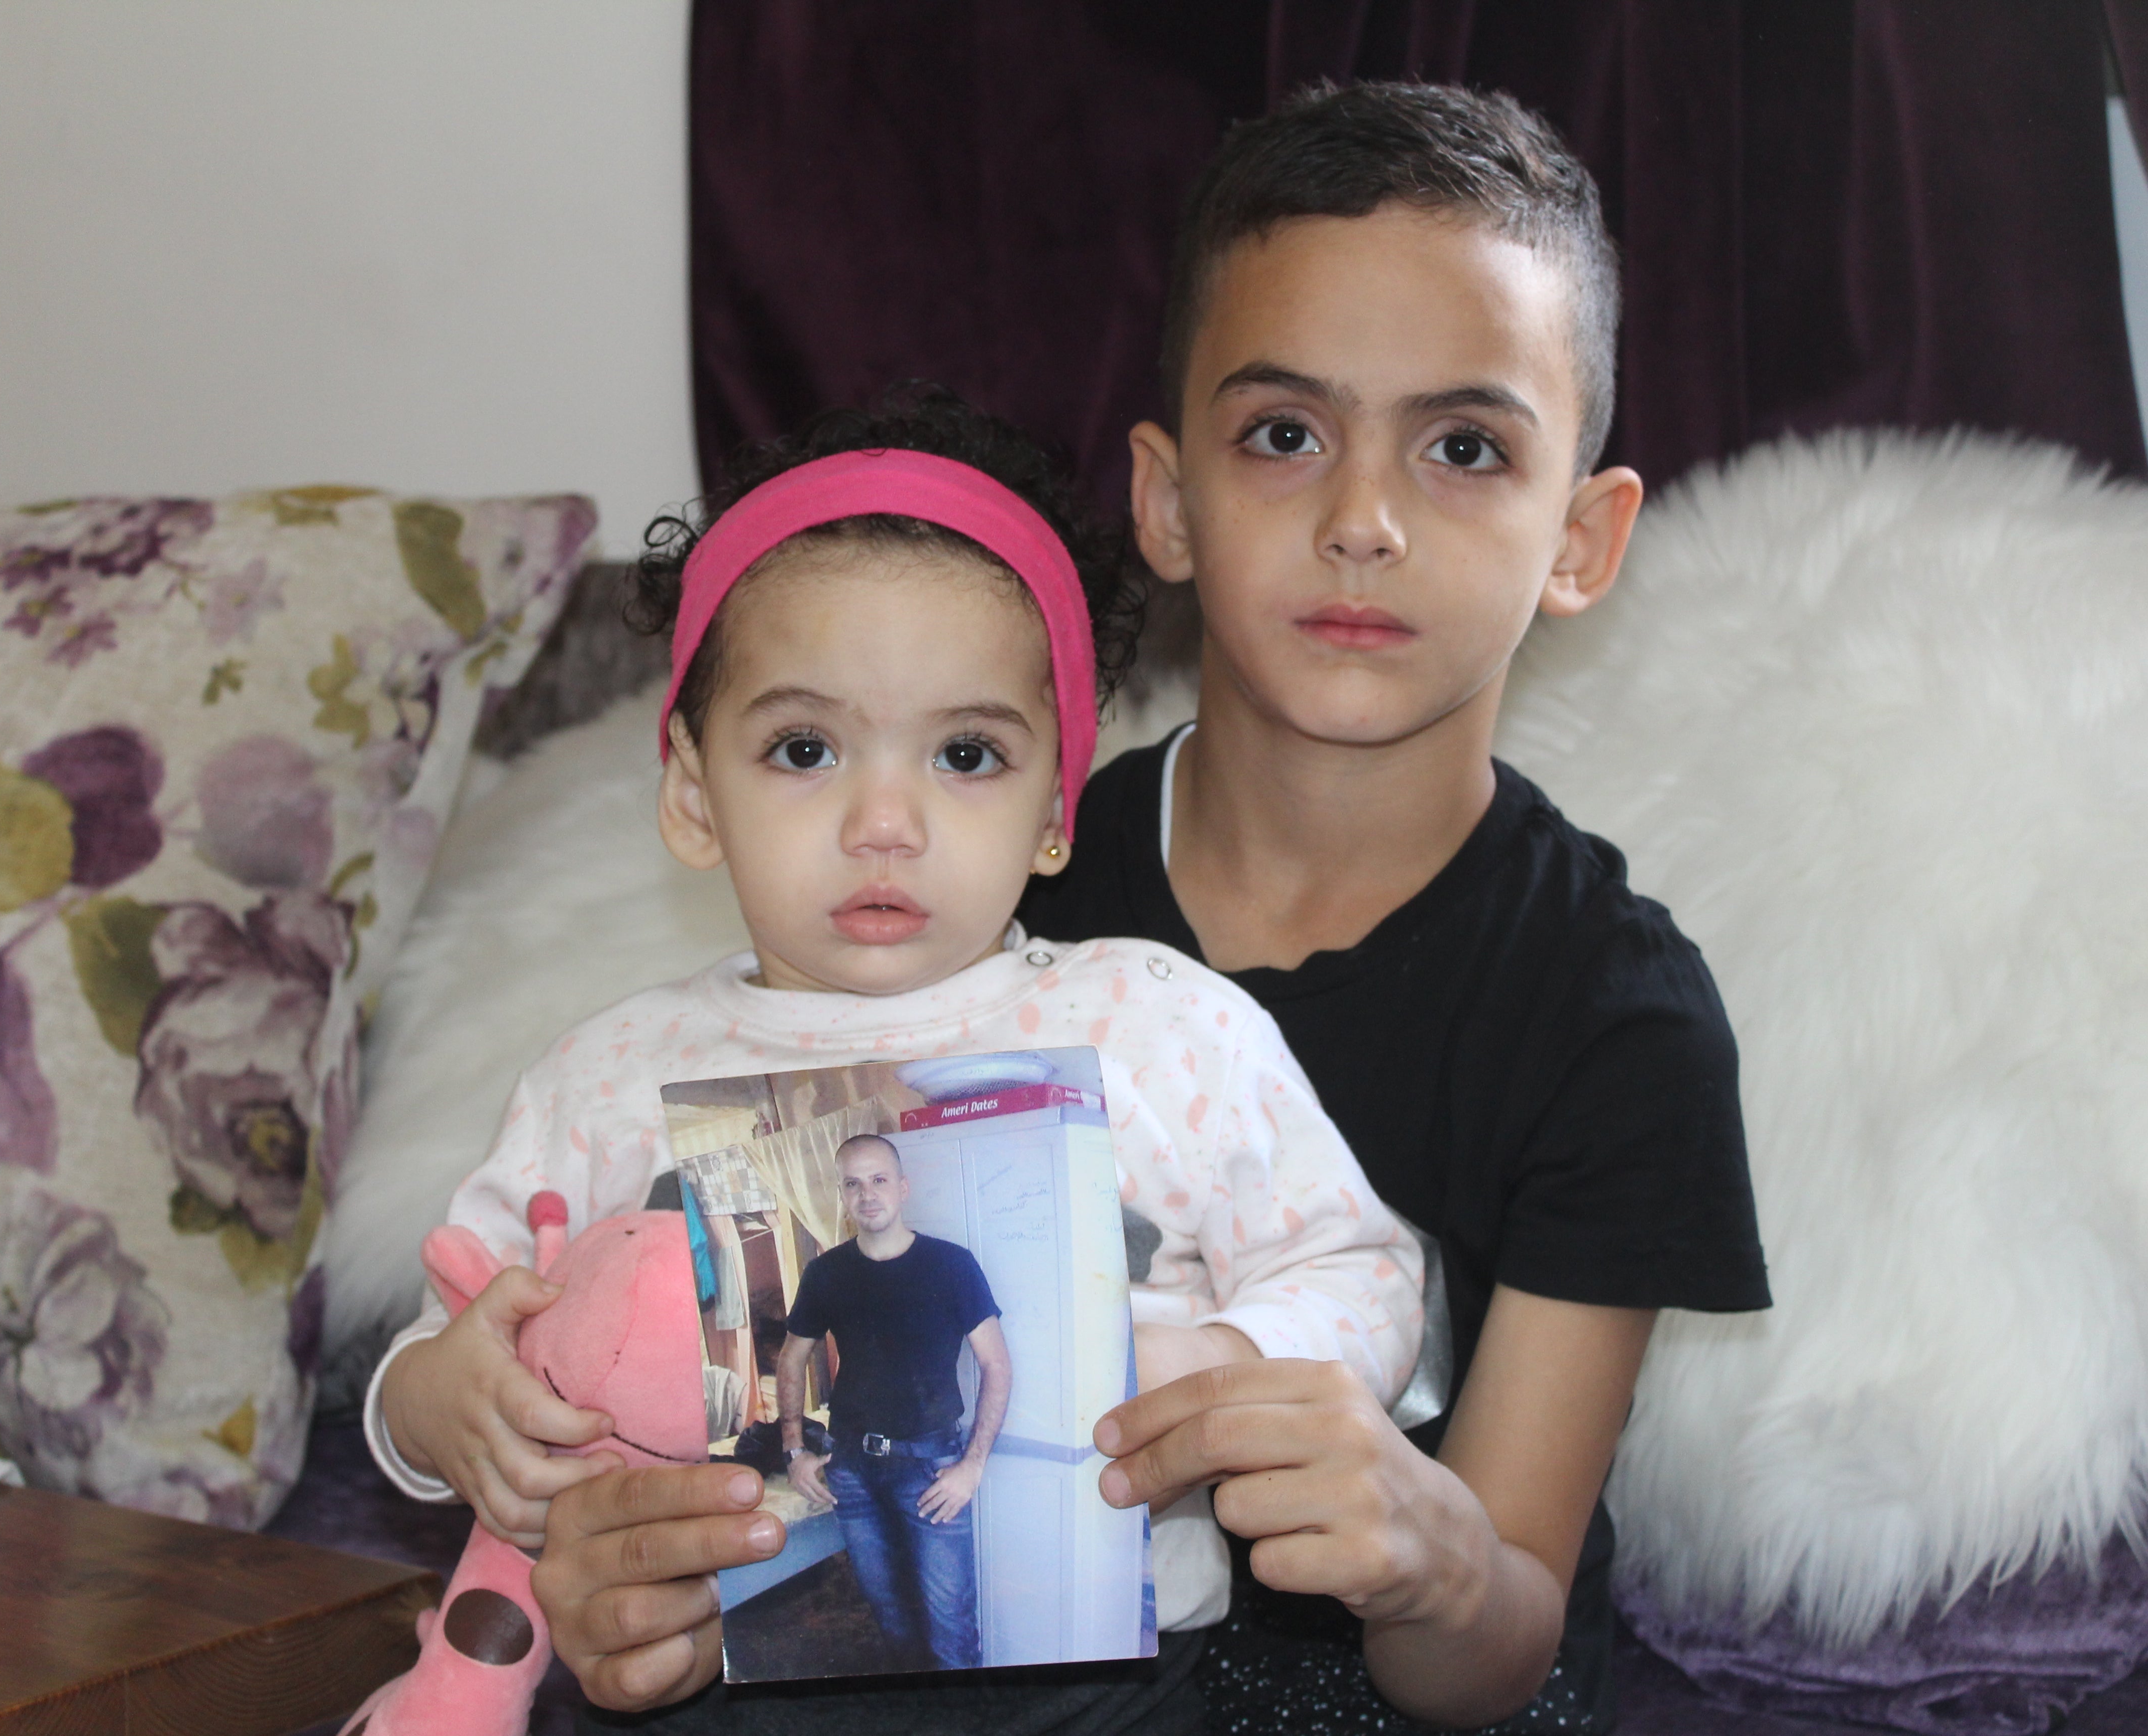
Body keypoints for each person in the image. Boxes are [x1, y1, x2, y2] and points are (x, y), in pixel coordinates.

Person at [361, 388, 1425, 1733]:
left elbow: (1367, 1270)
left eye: (967, 755)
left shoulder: (1161, 1023)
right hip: (720, 1674)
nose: (884, 822)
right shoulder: (613, 1071)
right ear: (694, 791)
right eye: (804, 750)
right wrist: (433, 1403)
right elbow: (461, 1315)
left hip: (1102, 1684)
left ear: (1055, 807)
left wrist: (1224, 1361)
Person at [1015, 82, 1772, 1734]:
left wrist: (1429, 1554)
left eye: (1462, 448)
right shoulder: (1002, 883)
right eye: (1283, 433)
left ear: (1580, 538)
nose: (1361, 519)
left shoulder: (1615, 1016)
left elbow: (1493, 1645)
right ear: (1163, 500)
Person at [771, 1134, 1010, 1674]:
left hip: (931, 1468)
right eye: (853, 1184)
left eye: (879, 1180)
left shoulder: (951, 1265)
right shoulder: (826, 1273)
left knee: (951, 1630)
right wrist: (793, 1450)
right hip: (850, 1468)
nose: (867, 1194)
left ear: (902, 1188)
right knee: (891, 1623)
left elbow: (997, 1365)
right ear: (843, 1195)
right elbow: (791, 1360)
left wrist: (972, 1467)